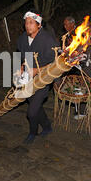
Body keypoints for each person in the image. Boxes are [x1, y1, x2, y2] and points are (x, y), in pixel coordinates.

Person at [17, 10, 57, 144]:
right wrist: (22, 68)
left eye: (31, 23)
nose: (27, 26)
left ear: (39, 25)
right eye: (26, 23)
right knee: (36, 105)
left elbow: (55, 64)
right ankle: (47, 126)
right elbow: (24, 57)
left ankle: (32, 132)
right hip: (27, 78)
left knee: (31, 112)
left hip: (43, 78)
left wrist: (37, 70)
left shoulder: (48, 40)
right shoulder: (23, 38)